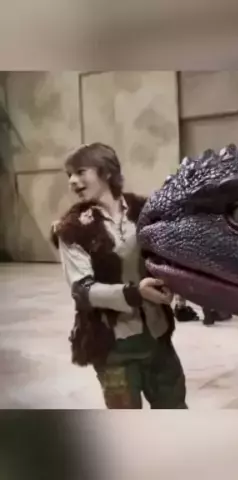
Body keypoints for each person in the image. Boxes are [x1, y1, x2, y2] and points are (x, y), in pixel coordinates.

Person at [53, 142, 187, 409]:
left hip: (158, 338)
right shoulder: (72, 228)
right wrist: (135, 293)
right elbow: (82, 290)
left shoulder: (145, 210)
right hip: (113, 348)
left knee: (174, 409)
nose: (72, 181)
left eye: (80, 172)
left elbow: (167, 254)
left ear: (106, 172)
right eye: (69, 175)